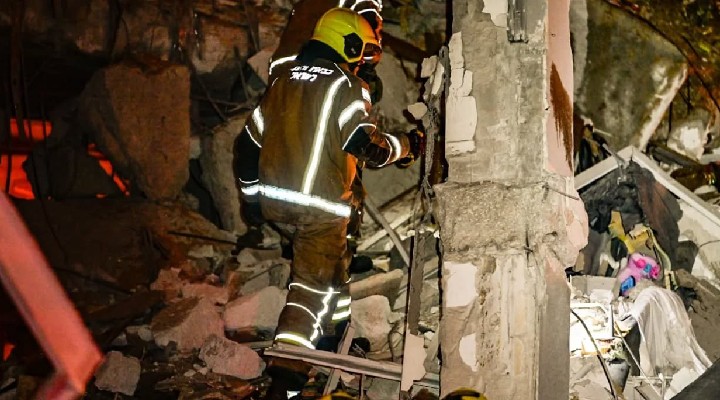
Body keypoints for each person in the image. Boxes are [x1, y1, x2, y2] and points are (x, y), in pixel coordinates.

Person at [233, 7, 424, 399]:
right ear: (348, 45)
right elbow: (367, 147)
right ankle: (286, 377)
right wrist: (408, 146)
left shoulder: (284, 79)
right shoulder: (346, 86)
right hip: (318, 211)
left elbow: (248, 145)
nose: (364, 62)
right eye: (364, 52)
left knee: (334, 268)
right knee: (310, 291)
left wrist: (252, 200)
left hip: (276, 205)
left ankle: (335, 338)